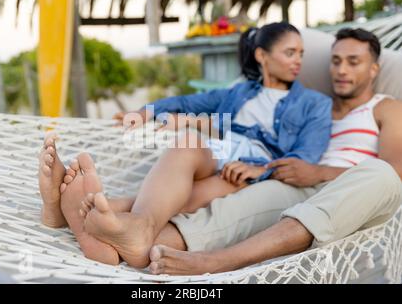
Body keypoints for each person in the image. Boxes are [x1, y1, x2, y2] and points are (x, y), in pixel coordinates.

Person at [37, 22, 332, 267]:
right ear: (261, 56)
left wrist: (261, 170)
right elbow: (186, 102)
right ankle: (131, 227)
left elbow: (305, 158)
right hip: (221, 150)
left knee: (191, 195)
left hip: (253, 167)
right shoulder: (239, 92)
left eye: (301, 54)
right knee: (188, 141)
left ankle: (75, 218)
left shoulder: (315, 103)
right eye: (290, 52)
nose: (298, 61)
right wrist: (145, 112)